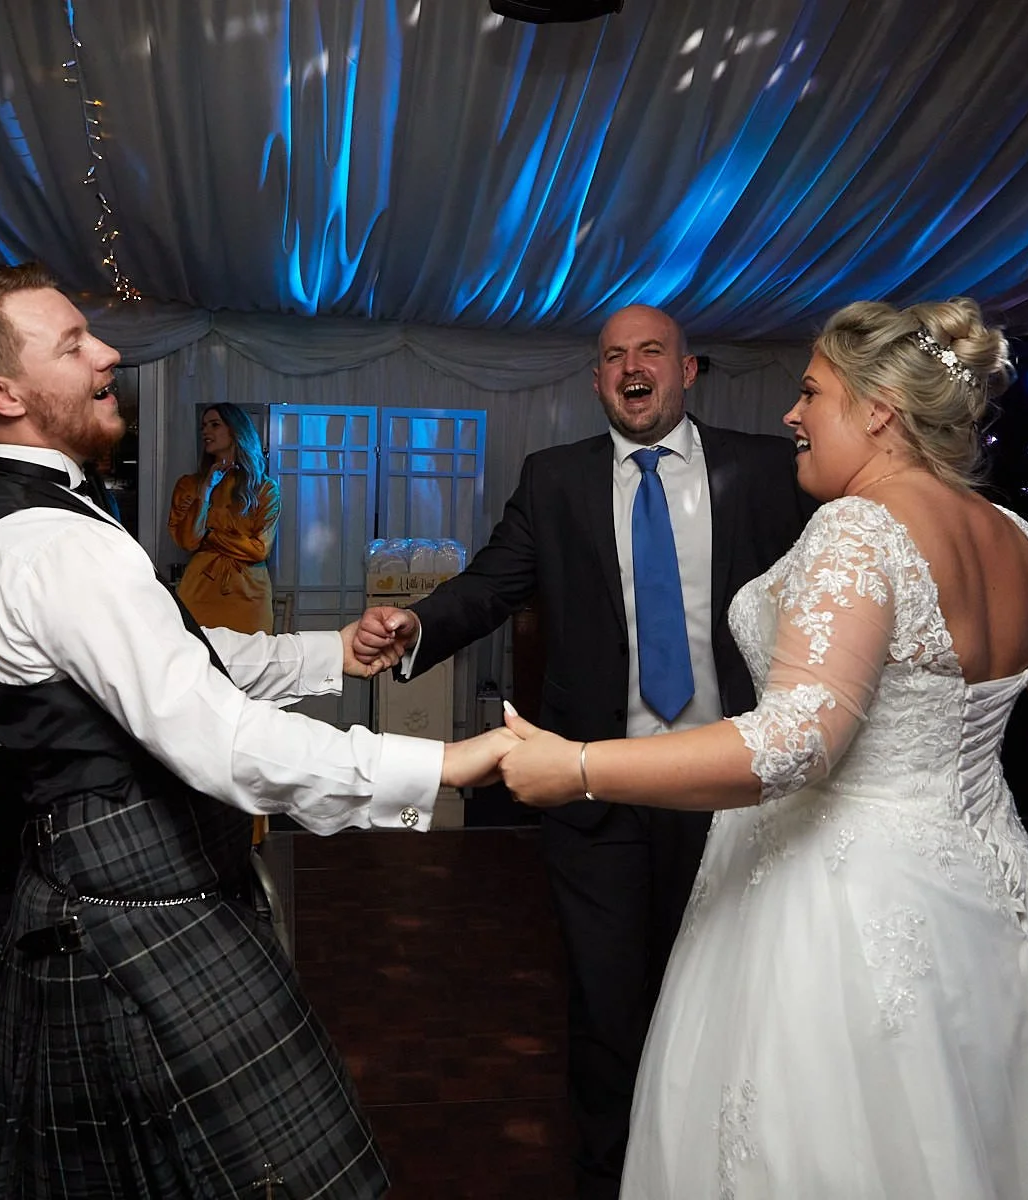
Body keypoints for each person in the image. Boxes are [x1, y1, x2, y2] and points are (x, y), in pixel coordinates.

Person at [493, 298, 1028, 1198]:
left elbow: (797, 742)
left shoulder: (862, 525)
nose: (791, 415)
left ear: (878, 410)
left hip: (841, 904)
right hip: (992, 897)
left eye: (811, 393)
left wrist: (575, 766)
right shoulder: (1017, 539)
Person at [0, 262, 512, 1198]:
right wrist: (445, 764)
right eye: (73, 344)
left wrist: (329, 656)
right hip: (129, 913)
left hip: (122, 895)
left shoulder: (46, 518)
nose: (109, 352)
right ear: (3, 393)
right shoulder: (52, 543)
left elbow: (178, 659)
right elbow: (218, 738)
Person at [353, 303, 812, 1196]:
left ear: (688, 371)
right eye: (612, 356)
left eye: (651, 351)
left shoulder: (766, 470)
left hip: (730, 796)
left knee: (727, 996)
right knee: (607, 1004)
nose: (631, 366)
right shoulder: (555, 477)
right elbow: (492, 582)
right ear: (596, 380)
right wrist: (414, 623)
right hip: (592, 794)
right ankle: (612, 1175)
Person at [167, 402, 281, 634]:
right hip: (198, 591)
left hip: (249, 594)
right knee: (198, 662)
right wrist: (205, 492)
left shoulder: (265, 489)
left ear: (236, 430)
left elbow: (259, 549)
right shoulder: (189, 485)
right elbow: (188, 540)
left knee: (252, 662)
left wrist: (209, 534)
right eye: (203, 426)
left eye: (214, 424)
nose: (205, 432)